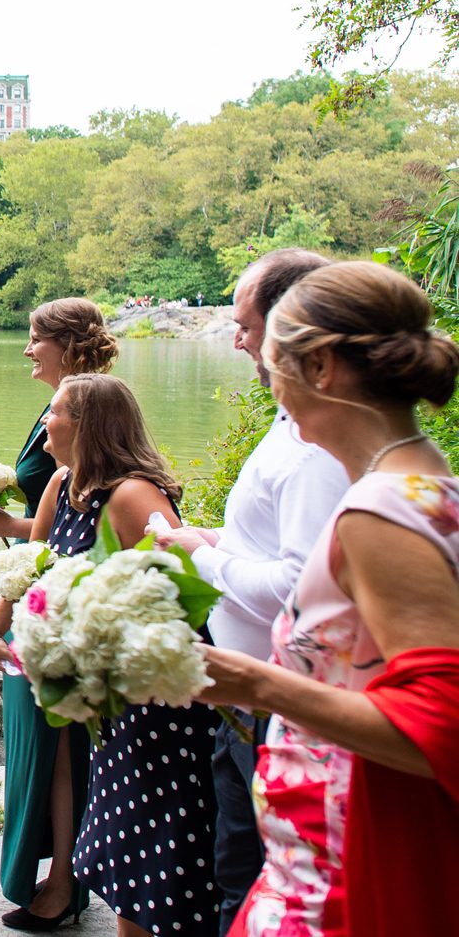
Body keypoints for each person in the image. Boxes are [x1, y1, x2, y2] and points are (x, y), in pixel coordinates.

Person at [196, 262, 459, 937]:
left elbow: (443, 725)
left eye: (274, 357)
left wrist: (249, 680)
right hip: (320, 858)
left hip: (342, 874)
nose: (268, 378)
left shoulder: (382, 512)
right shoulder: (416, 485)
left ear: (319, 370)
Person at [149, 250, 345, 933]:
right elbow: (276, 548)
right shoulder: (292, 426)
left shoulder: (318, 449)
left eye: (245, 324)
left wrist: (205, 559)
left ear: (293, 324)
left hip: (278, 701)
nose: (235, 338)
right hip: (250, 700)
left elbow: (299, 587)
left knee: (258, 876)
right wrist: (208, 541)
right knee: (236, 866)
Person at [53, 374, 218, 937]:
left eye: (54, 412)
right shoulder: (70, 486)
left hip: (159, 707)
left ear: (88, 425)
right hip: (117, 703)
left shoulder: (132, 495)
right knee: (126, 851)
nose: (45, 423)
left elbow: (180, 599)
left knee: (161, 849)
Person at [0, 298, 118, 929]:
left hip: (70, 608)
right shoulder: (57, 409)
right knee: (48, 753)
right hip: (39, 592)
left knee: (66, 754)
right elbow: (49, 522)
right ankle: (59, 874)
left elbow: (89, 516)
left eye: (36, 337)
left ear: (67, 342)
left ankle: (67, 881)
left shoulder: (89, 408)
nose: (27, 348)